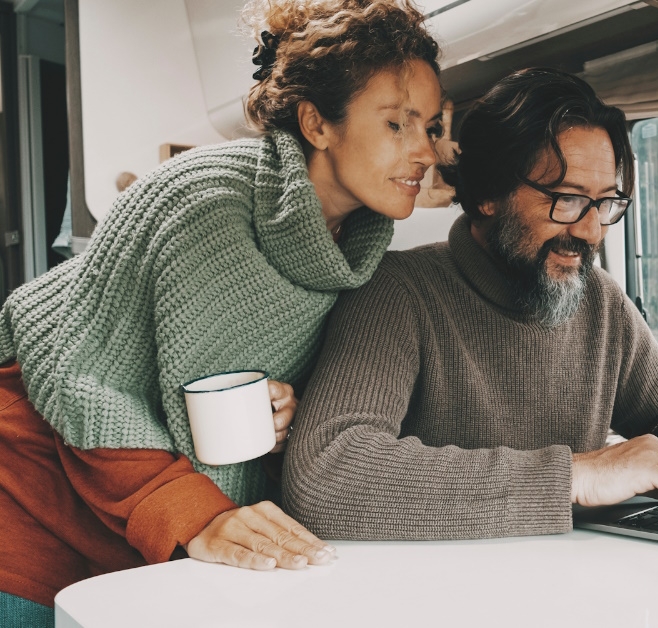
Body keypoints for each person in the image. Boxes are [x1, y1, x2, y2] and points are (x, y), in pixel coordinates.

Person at [0, 0, 444, 623]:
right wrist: (196, 517)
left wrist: (287, 408)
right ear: (317, 124)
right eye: (399, 124)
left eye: (431, 126)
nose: (426, 151)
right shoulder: (203, 201)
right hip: (30, 512)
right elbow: (86, 382)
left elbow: (213, 378)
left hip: (133, 538)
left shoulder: (358, 251)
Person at [283, 68, 658, 541]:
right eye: (566, 200)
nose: (590, 232)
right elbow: (325, 475)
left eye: (605, 203)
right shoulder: (397, 293)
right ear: (488, 194)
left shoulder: (600, 299)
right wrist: (575, 477)